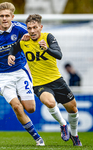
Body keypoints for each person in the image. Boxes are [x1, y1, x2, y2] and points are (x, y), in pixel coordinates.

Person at [8, 14, 82, 146]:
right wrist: (11, 55)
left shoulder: (48, 37)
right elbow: (14, 47)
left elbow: (59, 55)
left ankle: (75, 135)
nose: (31, 31)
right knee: (49, 102)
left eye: (34, 27)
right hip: (39, 83)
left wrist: (46, 49)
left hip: (57, 80)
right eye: (29, 28)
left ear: (40, 27)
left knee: (73, 110)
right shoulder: (24, 41)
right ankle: (63, 124)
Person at [0, 2, 45, 146]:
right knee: (17, 106)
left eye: (7, 16)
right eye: (2, 16)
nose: (4, 19)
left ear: (12, 16)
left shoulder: (20, 28)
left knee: (30, 108)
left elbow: (37, 37)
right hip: (2, 75)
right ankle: (38, 138)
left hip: (20, 71)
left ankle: (19, 95)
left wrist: (32, 40)